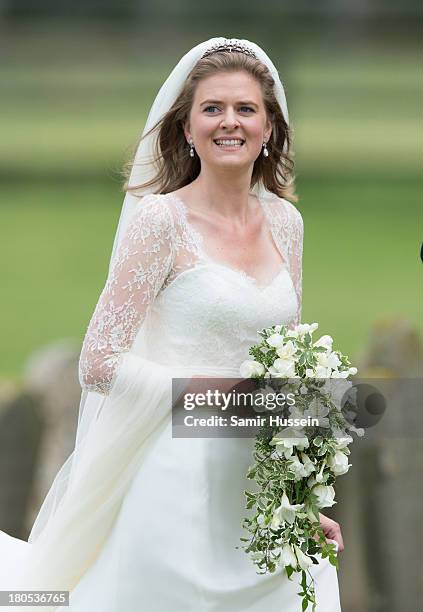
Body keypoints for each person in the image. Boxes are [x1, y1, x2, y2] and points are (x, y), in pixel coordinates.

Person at [0, 37, 343, 610]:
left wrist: (304, 499)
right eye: (212, 109)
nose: (228, 122)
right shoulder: (162, 221)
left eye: (245, 109)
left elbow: (286, 365)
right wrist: (210, 398)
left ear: (268, 129)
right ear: (187, 128)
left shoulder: (287, 223)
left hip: (259, 488)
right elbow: (99, 362)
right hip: (173, 477)